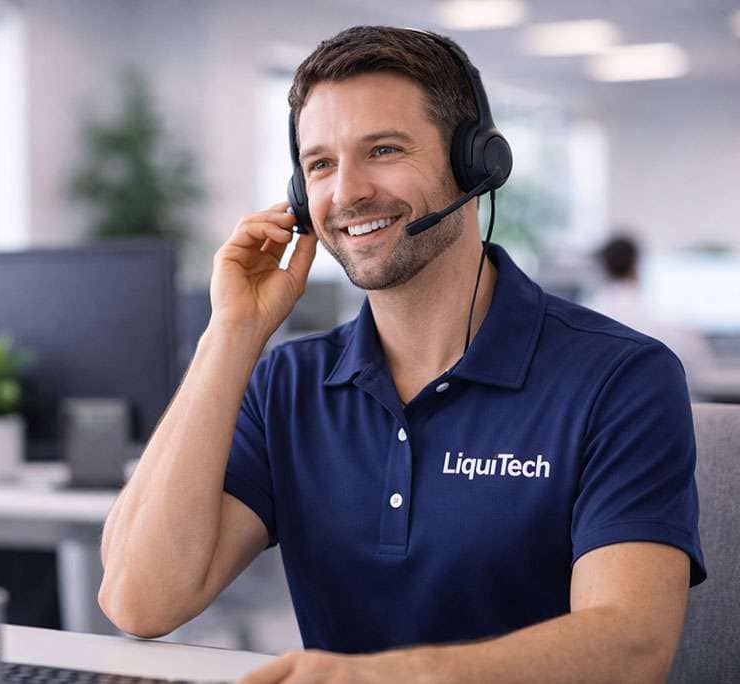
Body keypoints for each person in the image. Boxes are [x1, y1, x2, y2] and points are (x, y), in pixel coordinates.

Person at [99, 26, 705, 683]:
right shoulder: (288, 384)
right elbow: (140, 600)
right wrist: (231, 334)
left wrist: (386, 677)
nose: (347, 192)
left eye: (383, 150)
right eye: (320, 165)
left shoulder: (619, 378)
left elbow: (631, 646)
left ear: (475, 163)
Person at [586, 233, 715, 397]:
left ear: (602, 268)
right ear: (635, 265)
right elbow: (701, 369)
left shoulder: (586, 315)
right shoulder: (665, 311)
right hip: (667, 406)